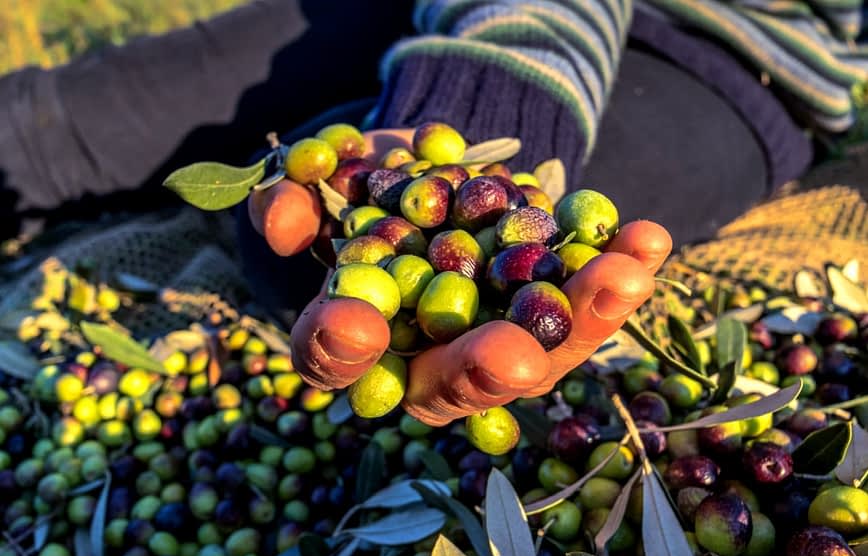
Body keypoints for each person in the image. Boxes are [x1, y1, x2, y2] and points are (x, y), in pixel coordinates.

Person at [1, 0, 865, 425]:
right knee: (45, 129)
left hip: (727, 53)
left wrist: (496, 121)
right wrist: (490, 91)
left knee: (288, 249)